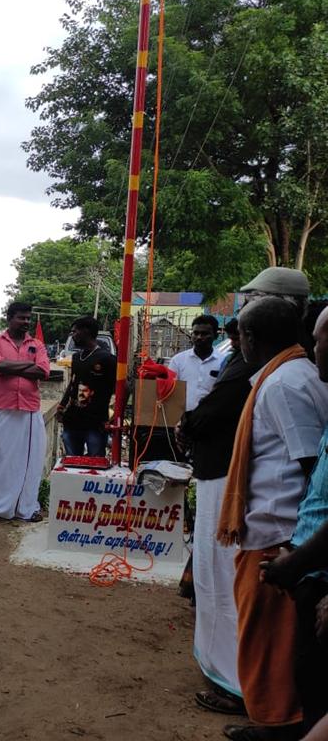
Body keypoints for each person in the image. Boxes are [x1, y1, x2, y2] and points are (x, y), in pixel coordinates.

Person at [216, 297, 328, 741]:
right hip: (281, 531)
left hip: (280, 532)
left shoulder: (284, 384)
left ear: (250, 338)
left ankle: (279, 725)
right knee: (279, 643)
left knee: (272, 642)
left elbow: (310, 466)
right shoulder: (291, 375)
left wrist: (297, 549)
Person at [178, 323, 259, 716]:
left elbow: (214, 410)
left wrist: (190, 424)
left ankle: (237, 681)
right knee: (213, 572)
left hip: (233, 483)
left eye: (239, 333)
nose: (235, 339)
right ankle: (221, 667)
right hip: (217, 473)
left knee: (227, 578)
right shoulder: (241, 362)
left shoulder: (255, 369)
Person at [258, 305, 328, 736]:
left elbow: (304, 465)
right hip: (308, 561)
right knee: (308, 677)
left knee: (317, 685)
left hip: (316, 569)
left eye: (318, 340)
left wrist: (294, 561)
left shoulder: (285, 384)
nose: (312, 348)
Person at [0, 302, 50, 522]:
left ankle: (25, 507)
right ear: (10, 318)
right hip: (1, 407)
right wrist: (27, 366)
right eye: (21, 317)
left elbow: (43, 371)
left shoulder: (37, 344)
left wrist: (10, 367)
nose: (26, 322)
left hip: (29, 409)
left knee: (29, 461)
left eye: (28, 318)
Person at [58, 316, 116, 457]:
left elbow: (123, 388)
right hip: (73, 421)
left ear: (86, 331)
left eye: (75, 331)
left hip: (95, 423)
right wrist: (61, 407)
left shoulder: (107, 359)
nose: (72, 335)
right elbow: (73, 383)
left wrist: (116, 416)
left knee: (95, 462)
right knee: (72, 461)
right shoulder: (76, 357)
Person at [167, 314, 221, 413]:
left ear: (215, 336)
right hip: (183, 418)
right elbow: (169, 391)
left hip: (212, 417)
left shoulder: (222, 361)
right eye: (196, 333)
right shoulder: (178, 361)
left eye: (204, 334)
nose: (199, 337)